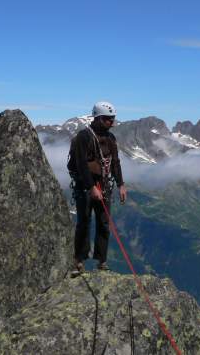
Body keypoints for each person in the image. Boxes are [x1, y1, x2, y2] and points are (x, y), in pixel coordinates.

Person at [67, 101, 127, 274]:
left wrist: (121, 184)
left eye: (113, 119)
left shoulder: (111, 138)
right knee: (84, 222)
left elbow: (115, 162)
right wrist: (91, 187)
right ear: (99, 118)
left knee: (103, 223)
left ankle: (102, 261)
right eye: (108, 119)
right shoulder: (83, 137)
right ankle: (79, 261)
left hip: (103, 184)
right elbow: (81, 164)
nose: (112, 123)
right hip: (85, 186)